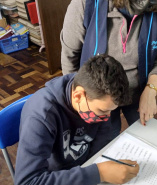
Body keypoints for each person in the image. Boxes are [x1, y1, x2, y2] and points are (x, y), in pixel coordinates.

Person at [14, 55, 139, 185]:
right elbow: (27, 181)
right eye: (102, 111)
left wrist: (102, 168)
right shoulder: (41, 116)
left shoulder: (95, 93)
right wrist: (99, 173)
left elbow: (102, 142)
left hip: (85, 168)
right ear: (78, 96)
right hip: (57, 176)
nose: (107, 117)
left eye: (111, 110)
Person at [61, 0, 157, 138]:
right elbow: (70, 57)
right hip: (99, 97)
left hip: (140, 92)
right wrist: (79, 101)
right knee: (105, 139)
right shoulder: (85, 4)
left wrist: (151, 89)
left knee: (147, 138)